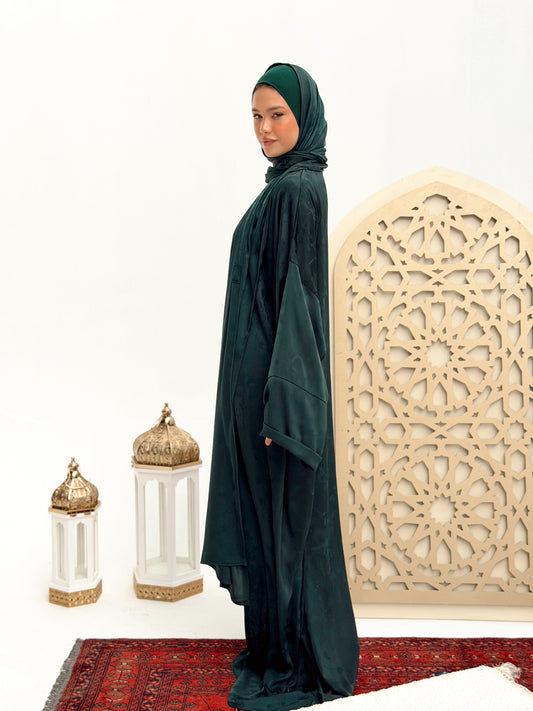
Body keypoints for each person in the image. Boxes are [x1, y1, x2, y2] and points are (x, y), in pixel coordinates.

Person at [201, 63, 359, 711]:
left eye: (277, 116)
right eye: (256, 117)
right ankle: (275, 646)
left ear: (304, 118)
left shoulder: (296, 190)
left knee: (283, 523)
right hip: (257, 387)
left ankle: (292, 657)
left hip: (272, 392)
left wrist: (284, 403)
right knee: (269, 521)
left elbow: (300, 303)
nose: (264, 130)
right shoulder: (289, 184)